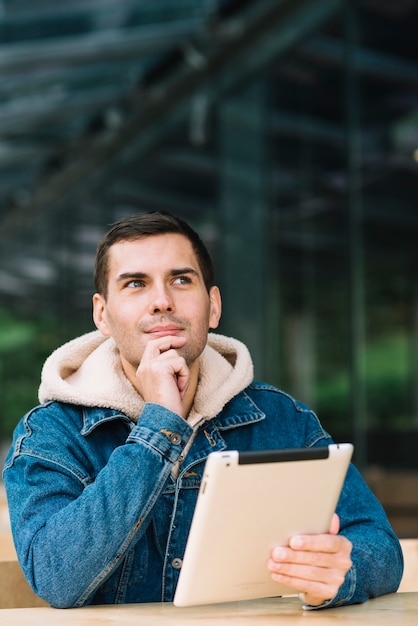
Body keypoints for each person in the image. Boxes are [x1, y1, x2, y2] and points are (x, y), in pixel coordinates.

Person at [3, 211, 402, 609]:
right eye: (136, 284)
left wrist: (336, 574)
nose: (161, 301)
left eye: (181, 280)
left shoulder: (282, 419)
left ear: (212, 306)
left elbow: (379, 546)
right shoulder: (51, 434)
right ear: (102, 315)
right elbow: (56, 577)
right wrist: (158, 427)